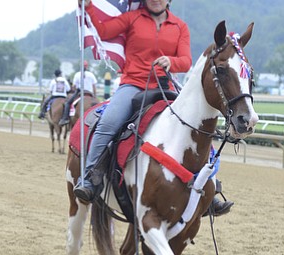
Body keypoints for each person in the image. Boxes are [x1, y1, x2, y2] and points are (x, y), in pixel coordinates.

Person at [74, 0, 234, 216]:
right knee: (108, 122)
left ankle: (209, 189)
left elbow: (186, 60)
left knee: (198, 128)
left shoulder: (180, 26)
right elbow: (103, 31)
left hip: (165, 86)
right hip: (133, 85)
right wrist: (89, 6)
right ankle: (90, 177)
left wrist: (171, 61)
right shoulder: (131, 18)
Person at [59, 60, 97, 126]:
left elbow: (74, 87)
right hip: (90, 94)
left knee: (67, 103)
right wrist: (95, 96)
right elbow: (94, 87)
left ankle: (65, 119)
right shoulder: (91, 75)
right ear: (87, 67)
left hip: (80, 93)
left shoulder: (77, 74)